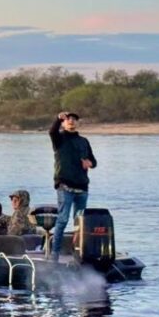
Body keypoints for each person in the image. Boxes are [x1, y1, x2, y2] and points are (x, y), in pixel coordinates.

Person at [49, 111, 98, 261]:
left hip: (82, 188)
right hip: (65, 186)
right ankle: (54, 255)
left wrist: (89, 163)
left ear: (77, 123)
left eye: (74, 119)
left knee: (80, 224)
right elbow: (52, 131)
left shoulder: (84, 141)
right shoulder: (59, 139)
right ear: (64, 123)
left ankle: (78, 254)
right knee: (62, 220)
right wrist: (58, 118)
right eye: (68, 119)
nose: (71, 121)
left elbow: (94, 162)